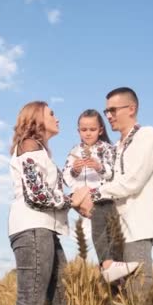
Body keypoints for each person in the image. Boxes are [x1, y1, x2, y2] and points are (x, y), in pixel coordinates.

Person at [75, 87, 153, 297]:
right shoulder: (115, 147)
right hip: (113, 230)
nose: (108, 116)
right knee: (118, 302)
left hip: (136, 229)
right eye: (106, 111)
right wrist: (84, 202)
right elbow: (108, 184)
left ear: (131, 109)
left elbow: (133, 181)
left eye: (113, 110)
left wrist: (93, 195)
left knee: (140, 298)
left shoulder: (147, 135)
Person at [8, 101, 78, 305]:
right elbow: (36, 194)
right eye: (51, 114)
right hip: (33, 228)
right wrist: (72, 201)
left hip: (45, 230)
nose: (57, 118)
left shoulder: (39, 151)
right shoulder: (29, 145)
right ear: (36, 119)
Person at [63, 109, 139, 282]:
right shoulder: (74, 151)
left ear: (100, 130)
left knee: (108, 232)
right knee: (100, 230)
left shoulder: (106, 149)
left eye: (92, 129)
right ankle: (107, 263)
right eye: (84, 130)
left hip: (102, 196)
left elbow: (113, 174)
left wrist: (99, 167)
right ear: (78, 131)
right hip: (83, 200)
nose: (88, 133)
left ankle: (110, 265)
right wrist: (75, 170)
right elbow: (66, 177)